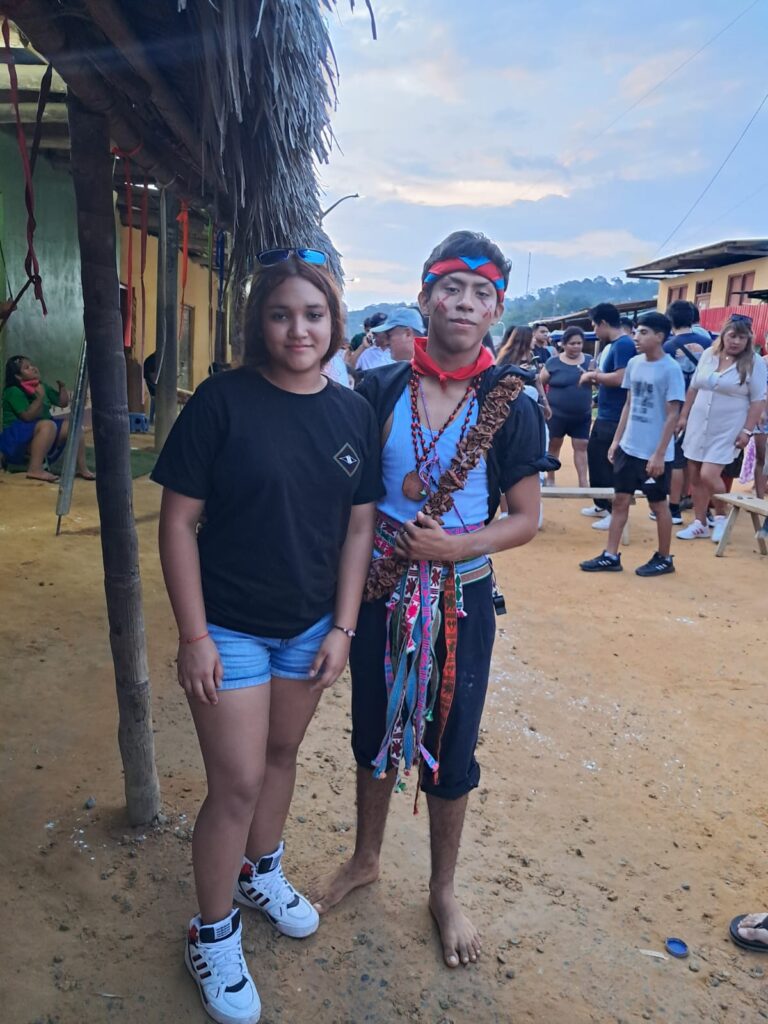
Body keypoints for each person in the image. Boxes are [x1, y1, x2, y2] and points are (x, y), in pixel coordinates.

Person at [309, 230, 553, 969]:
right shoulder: (379, 390)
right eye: (451, 288)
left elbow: (526, 519)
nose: (465, 303)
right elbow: (348, 499)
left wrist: (456, 546)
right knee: (373, 726)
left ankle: (443, 889)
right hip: (381, 592)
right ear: (424, 298)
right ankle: (365, 859)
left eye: (482, 293)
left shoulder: (513, 405)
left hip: (461, 599)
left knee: (453, 742)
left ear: (497, 309)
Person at [151, 246, 382, 1024]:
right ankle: (212, 933)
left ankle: (260, 872)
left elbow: (359, 528)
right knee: (238, 782)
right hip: (229, 628)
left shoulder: (353, 413)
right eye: (281, 315)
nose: (298, 330)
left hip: (310, 627)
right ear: (259, 321)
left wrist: (343, 626)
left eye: (313, 314)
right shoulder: (222, 402)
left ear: (334, 322)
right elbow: (177, 523)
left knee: (281, 755)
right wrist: (194, 636)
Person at [580, 312, 684, 576]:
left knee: (658, 504)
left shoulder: (671, 369)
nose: (636, 337)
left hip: (653, 452)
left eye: (643, 332)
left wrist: (659, 454)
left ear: (659, 336)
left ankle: (664, 558)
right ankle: (610, 556)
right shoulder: (635, 364)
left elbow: (673, 414)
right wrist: (617, 441)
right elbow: (629, 403)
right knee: (620, 500)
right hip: (629, 447)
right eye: (636, 331)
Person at [676, 315, 767, 541]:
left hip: (728, 428)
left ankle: (720, 517)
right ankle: (699, 522)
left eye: (742, 337)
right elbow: (693, 388)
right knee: (695, 474)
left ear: (748, 339)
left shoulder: (755, 362)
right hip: (698, 423)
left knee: (709, 474)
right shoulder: (709, 354)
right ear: (724, 334)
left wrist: (747, 431)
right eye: (732, 335)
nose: (736, 341)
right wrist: (684, 416)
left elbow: (758, 400)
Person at [578, 303, 636, 528]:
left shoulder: (624, 345)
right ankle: (602, 504)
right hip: (605, 412)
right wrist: (597, 376)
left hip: (615, 415)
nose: (594, 330)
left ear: (603, 323)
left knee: (608, 463)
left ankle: (614, 510)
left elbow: (621, 378)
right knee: (596, 458)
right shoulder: (612, 346)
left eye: (594, 325)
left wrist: (593, 376)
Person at [1, 354, 94, 482]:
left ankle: (82, 468)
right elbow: (27, 417)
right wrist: (39, 399)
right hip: (15, 437)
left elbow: (62, 403)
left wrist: (62, 388)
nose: (33, 368)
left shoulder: (41, 386)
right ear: (18, 376)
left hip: (39, 431)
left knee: (73, 427)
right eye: (27, 368)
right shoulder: (13, 391)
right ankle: (35, 469)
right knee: (48, 425)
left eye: (32, 365)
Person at [662, 300, 709, 524]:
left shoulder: (668, 347)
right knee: (696, 458)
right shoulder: (709, 344)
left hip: (676, 408)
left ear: (670, 320)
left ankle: (674, 507)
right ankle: (695, 501)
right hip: (704, 408)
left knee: (676, 461)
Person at [539, 326, 592, 486]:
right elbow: (540, 383)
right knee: (554, 444)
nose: (576, 346)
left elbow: (598, 381)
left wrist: (592, 376)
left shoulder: (589, 360)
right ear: (563, 344)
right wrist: (544, 403)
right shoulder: (553, 362)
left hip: (581, 415)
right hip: (556, 414)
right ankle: (551, 478)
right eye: (572, 343)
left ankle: (583, 482)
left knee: (582, 446)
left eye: (579, 343)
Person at [497, 324, 552, 419]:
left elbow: (537, 380)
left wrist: (545, 403)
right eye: (532, 338)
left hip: (534, 402)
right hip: (515, 406)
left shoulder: (531, 355)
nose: (534, 340)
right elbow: (500, 381)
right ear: (525, 339)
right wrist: (518, 371)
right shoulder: (507, 357)